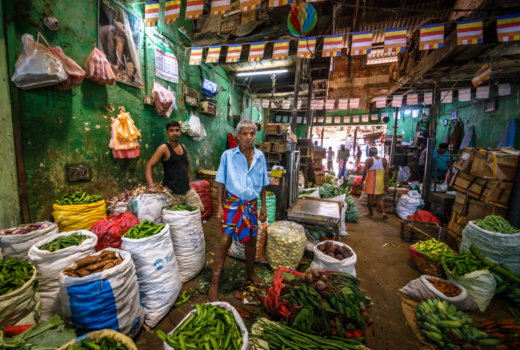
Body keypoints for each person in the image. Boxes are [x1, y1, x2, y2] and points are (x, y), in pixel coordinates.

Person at [209, 120, 269, 301]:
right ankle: (214, 282)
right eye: (245, 134)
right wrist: (219, 206)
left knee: (251, 240)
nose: (249, 137)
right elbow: (220, 182)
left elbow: (264, 183)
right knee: (225, 240)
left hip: (251, 203)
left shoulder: (260, 156)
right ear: (238, 136)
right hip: (233, 203)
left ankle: (250, 273)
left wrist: (264, 205)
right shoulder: (228, 155)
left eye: (252, 133)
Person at [145, 121, 203, 210]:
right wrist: (151, 185)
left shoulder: (183, 147)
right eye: (171, 130)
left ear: (180, 132)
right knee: (175, 217)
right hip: (171, 193)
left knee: (199, 209)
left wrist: (188, 179)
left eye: (177, 130)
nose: (174, 133)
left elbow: (187, 164)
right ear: (167, 133)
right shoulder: (163, 148)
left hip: (187, 190)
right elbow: (149, 166)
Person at [361, 147, 390, 219]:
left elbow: (364, 172)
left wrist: (361, 182)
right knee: (380, 198)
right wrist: (386, 184)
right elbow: (387, 173)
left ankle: (370, 213)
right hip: (380, 182)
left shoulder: (369, 160)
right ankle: (383, 212)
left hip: (371, 181)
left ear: (370, 153)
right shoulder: (384, 160)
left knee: (370, 198)